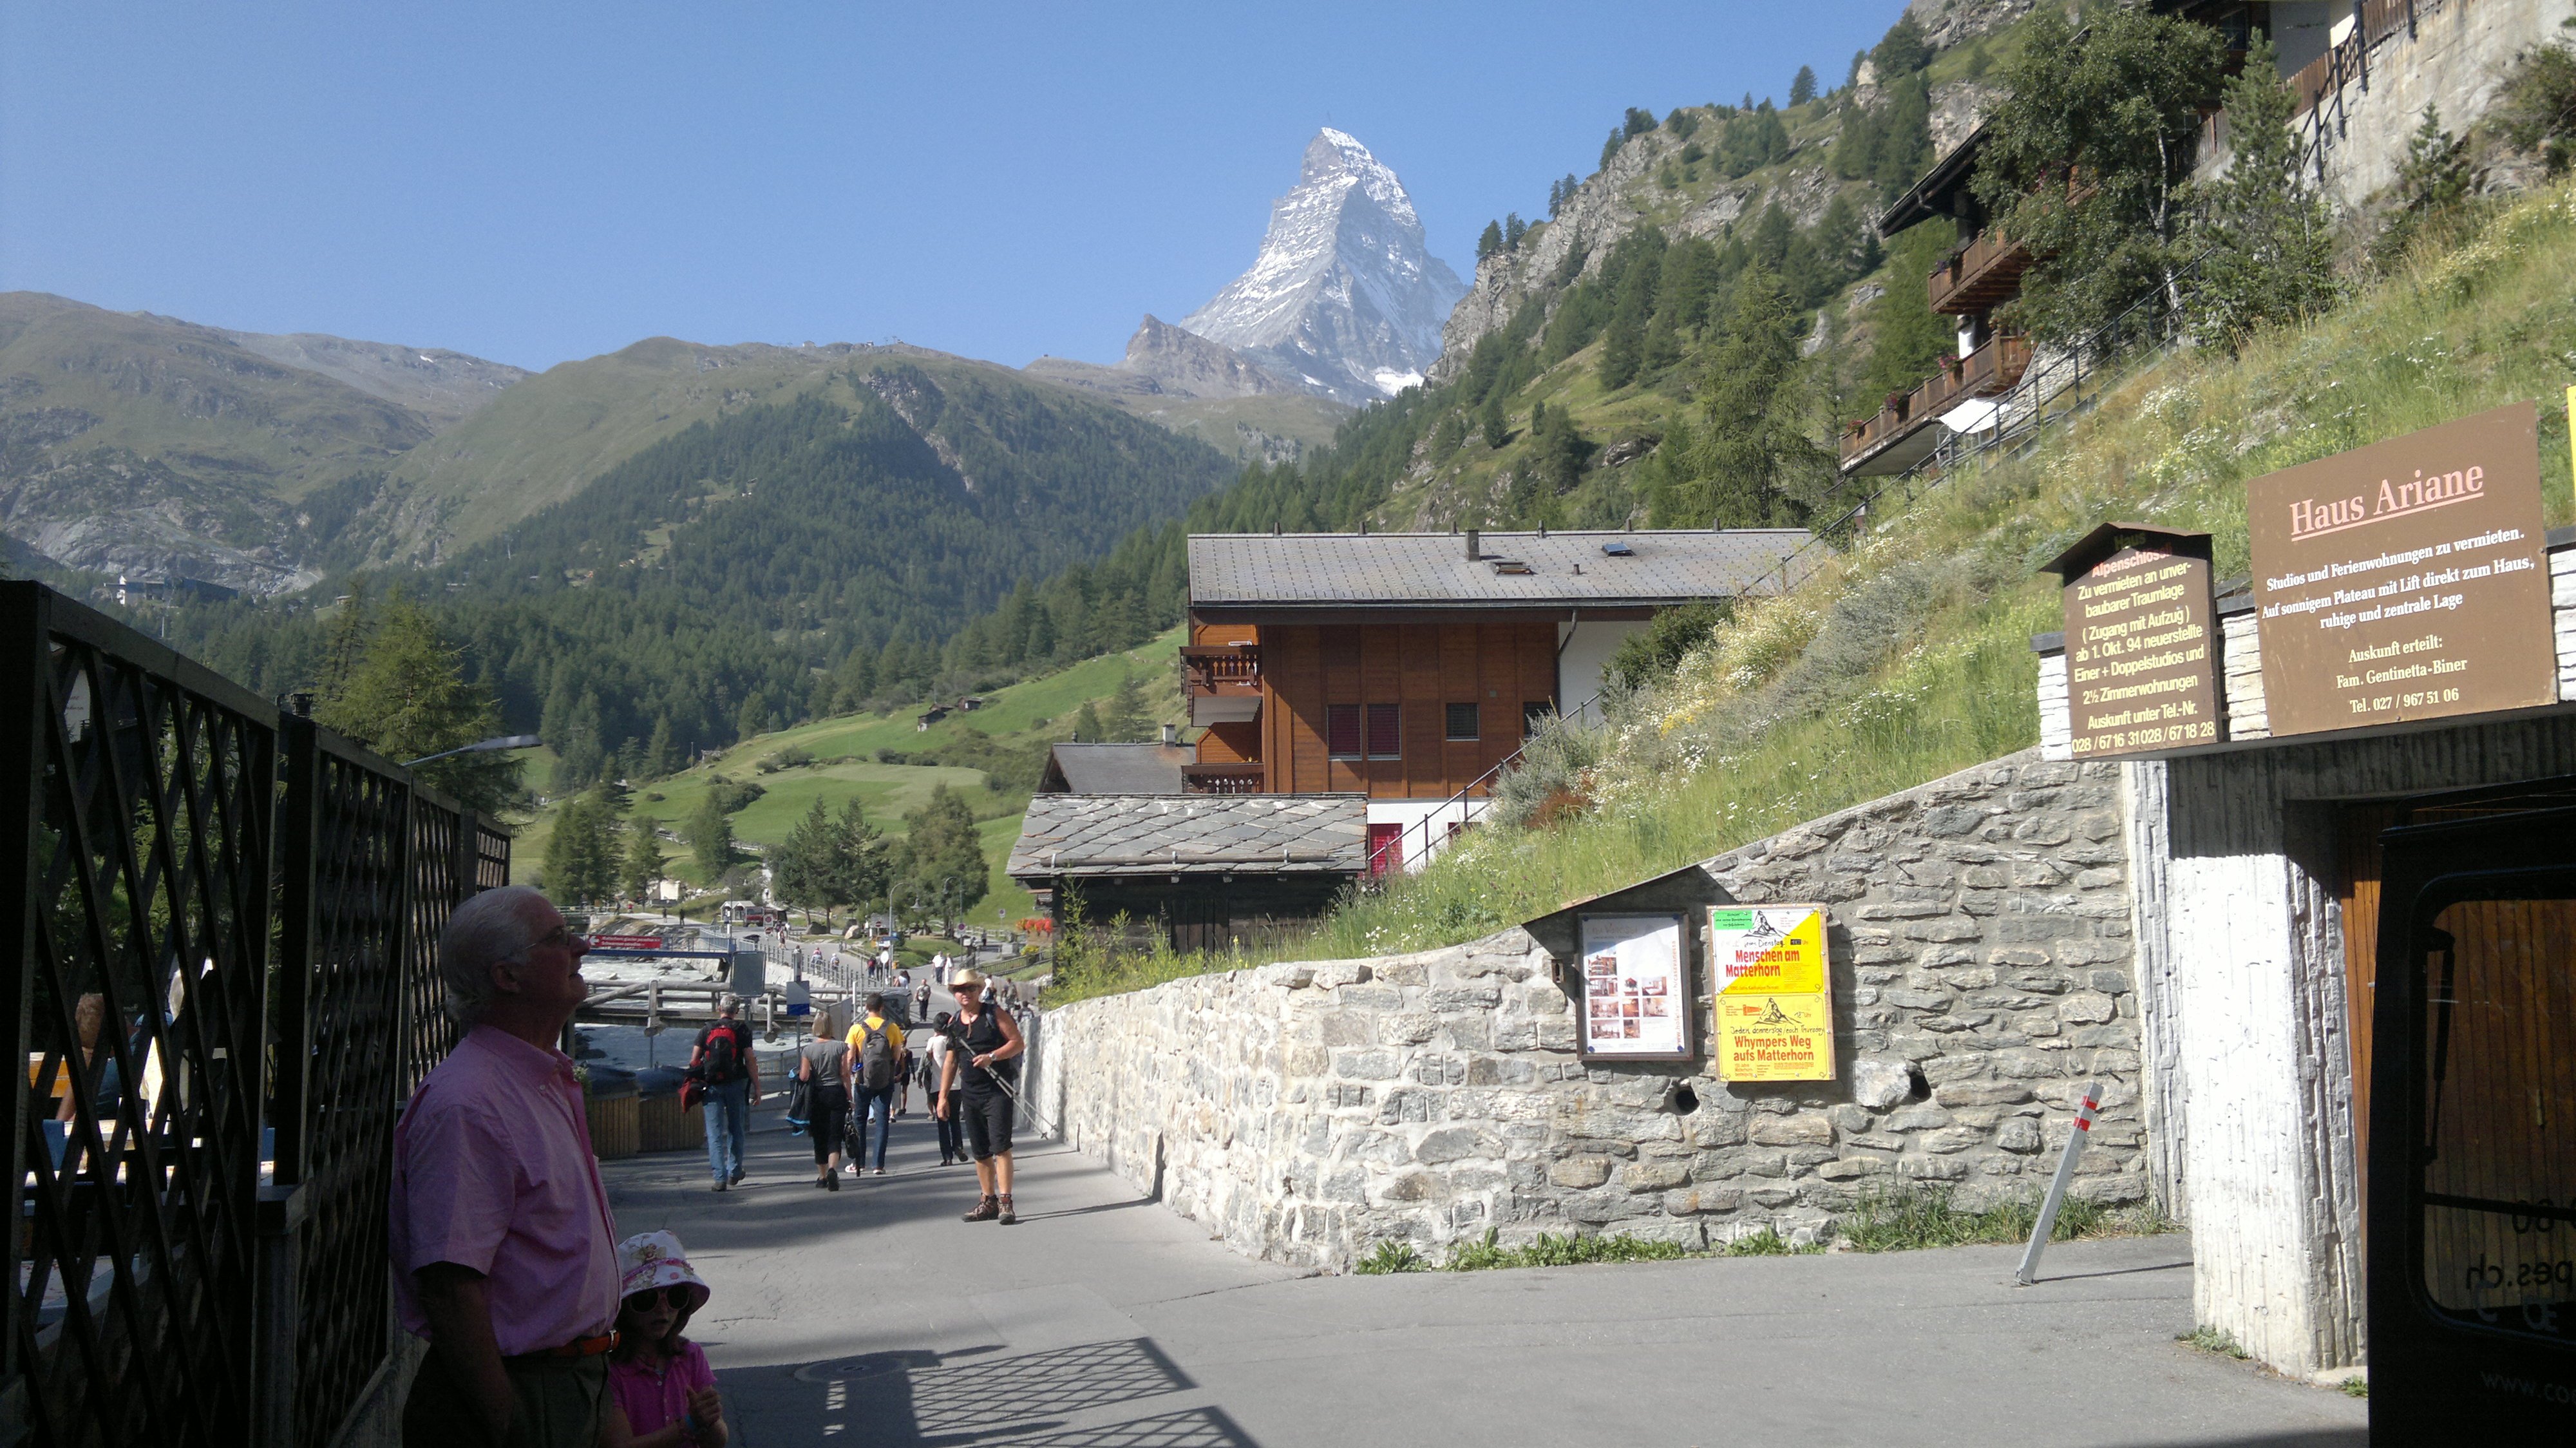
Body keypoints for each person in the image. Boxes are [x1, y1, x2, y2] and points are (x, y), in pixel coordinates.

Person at [392, 886, 620, 1447]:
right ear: (507, 977)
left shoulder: (538, 1081)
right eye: (558, 940)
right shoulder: (470, 1104)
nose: (582, 947)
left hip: (567, 1382)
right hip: (524, 1393)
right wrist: (506, 1421)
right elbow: (449, 1287)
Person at [601, 1230, 726, 1447]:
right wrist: (688, 1426)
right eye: (646, 1300)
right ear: (624, 1308)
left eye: (675, 1296)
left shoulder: (690, 1356)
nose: (663, 1309)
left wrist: (709, 1418)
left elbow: (718, 1441)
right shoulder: (612, 1370)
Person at [937, 967, 1025, 1224]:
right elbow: (951, 1062)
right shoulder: (954, 1024)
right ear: (954, 993)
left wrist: (992, 1057)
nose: (965, 994)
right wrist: (943, 1097)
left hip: (997, 1090)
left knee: (1001, 1147)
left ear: (979, 990)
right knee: (980, 1151)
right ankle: (988, 1201)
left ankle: (1006, 1202)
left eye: (970, 989)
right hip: (970, 1093)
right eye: (959, 990)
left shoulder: (994, 1014)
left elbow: (1017, 1043)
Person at [689, 998, 759, 1192]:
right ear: (736, 1011)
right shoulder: (742, 1029)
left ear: (719, 1009)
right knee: (736, 1129)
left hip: (711, 1086)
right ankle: (735, 1171)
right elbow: (750, 1059)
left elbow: (694, 1059)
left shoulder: (707, 1029)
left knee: (714, 1133)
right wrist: (757, 1088)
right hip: (737, 1084)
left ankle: (719, 1178)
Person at [843, 994, 907, 1176]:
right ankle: (878, 1165)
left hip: (863, 1080)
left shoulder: (856, 1029)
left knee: (860, 1121)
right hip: (885, 1081)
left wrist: (848, 1076)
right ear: (882, 1008)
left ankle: (859, 1163)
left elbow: (850, 1056)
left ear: (866, 1007)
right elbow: (897, 1055)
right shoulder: (892, 1028)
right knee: (882, 1121)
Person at [795, 1008, 848, 1191]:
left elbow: (804, 1076)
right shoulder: (841, 1046)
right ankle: (833, 1169)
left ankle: (822, 1176)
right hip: (837, 1093)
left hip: (817, 1096)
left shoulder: (808, 1050)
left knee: (819, 1136)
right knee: (835, 1136)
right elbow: (844, 1073)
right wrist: (849, 1095)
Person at [920, 1013, 963, 1167]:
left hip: (938, 1088)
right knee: (955, 1120)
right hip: (957, 1087)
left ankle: (947, 1156)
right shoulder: (955, 1041)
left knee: (942, 1123)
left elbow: (928, 1057)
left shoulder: (933, 1041)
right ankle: (958, 1146)